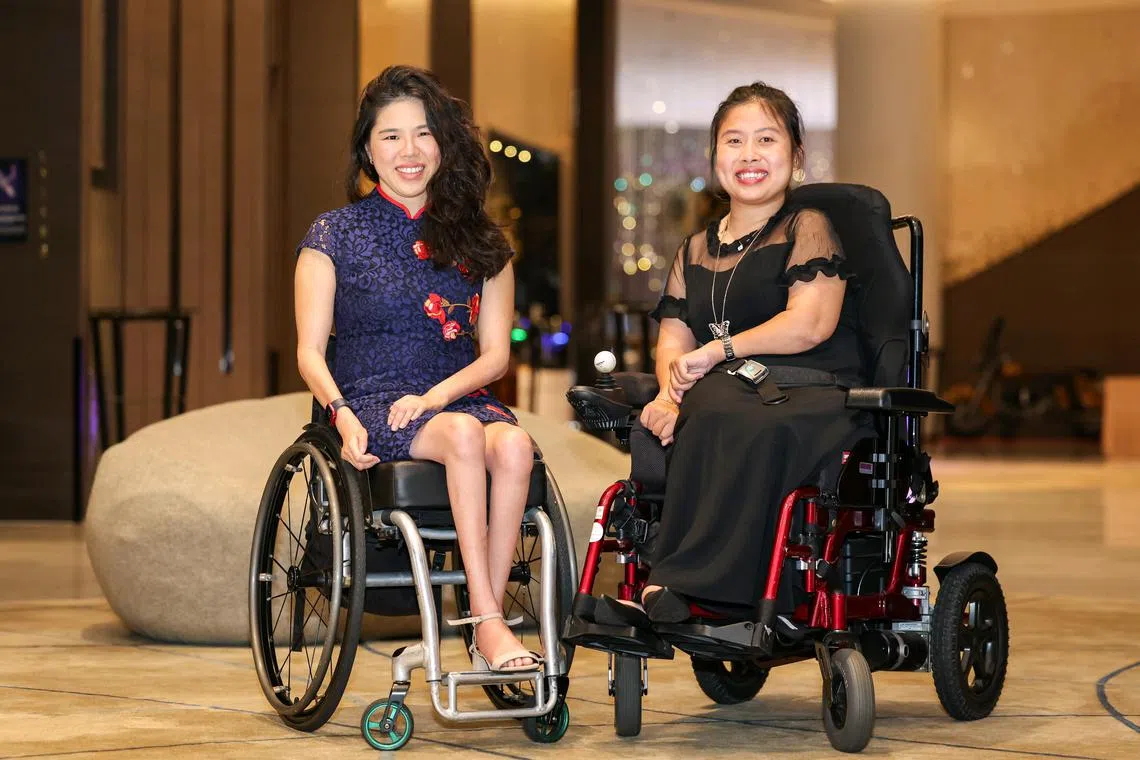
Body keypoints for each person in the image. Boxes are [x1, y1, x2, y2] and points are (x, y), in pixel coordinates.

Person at [293, 65, 541, 673]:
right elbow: (308, 351)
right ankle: (488, 622)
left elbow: (495, 357)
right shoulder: (334, 234)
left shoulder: (482, 241)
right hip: (367, 400)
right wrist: (341, 414)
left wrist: (434, 398)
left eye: (424, 134)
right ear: (367, 150)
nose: (409, 151)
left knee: (514, 445)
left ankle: (486, 617)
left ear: (444, 144)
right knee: (463, 436)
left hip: (452, 397)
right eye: (391, 136)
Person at [597, 82, 871, 626]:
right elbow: (673, 339)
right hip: (723, 394)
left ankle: (692, 588)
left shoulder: (807, 228)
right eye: (734, 141)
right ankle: (678, 582)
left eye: (766, 140)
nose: (749, 156)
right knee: (671, 415)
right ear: (715, 157)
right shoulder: (695, 248)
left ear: (795, 156)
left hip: (811, 390)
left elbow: (809, 324)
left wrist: (720, 352)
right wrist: (671, 398)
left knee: (725, 406)